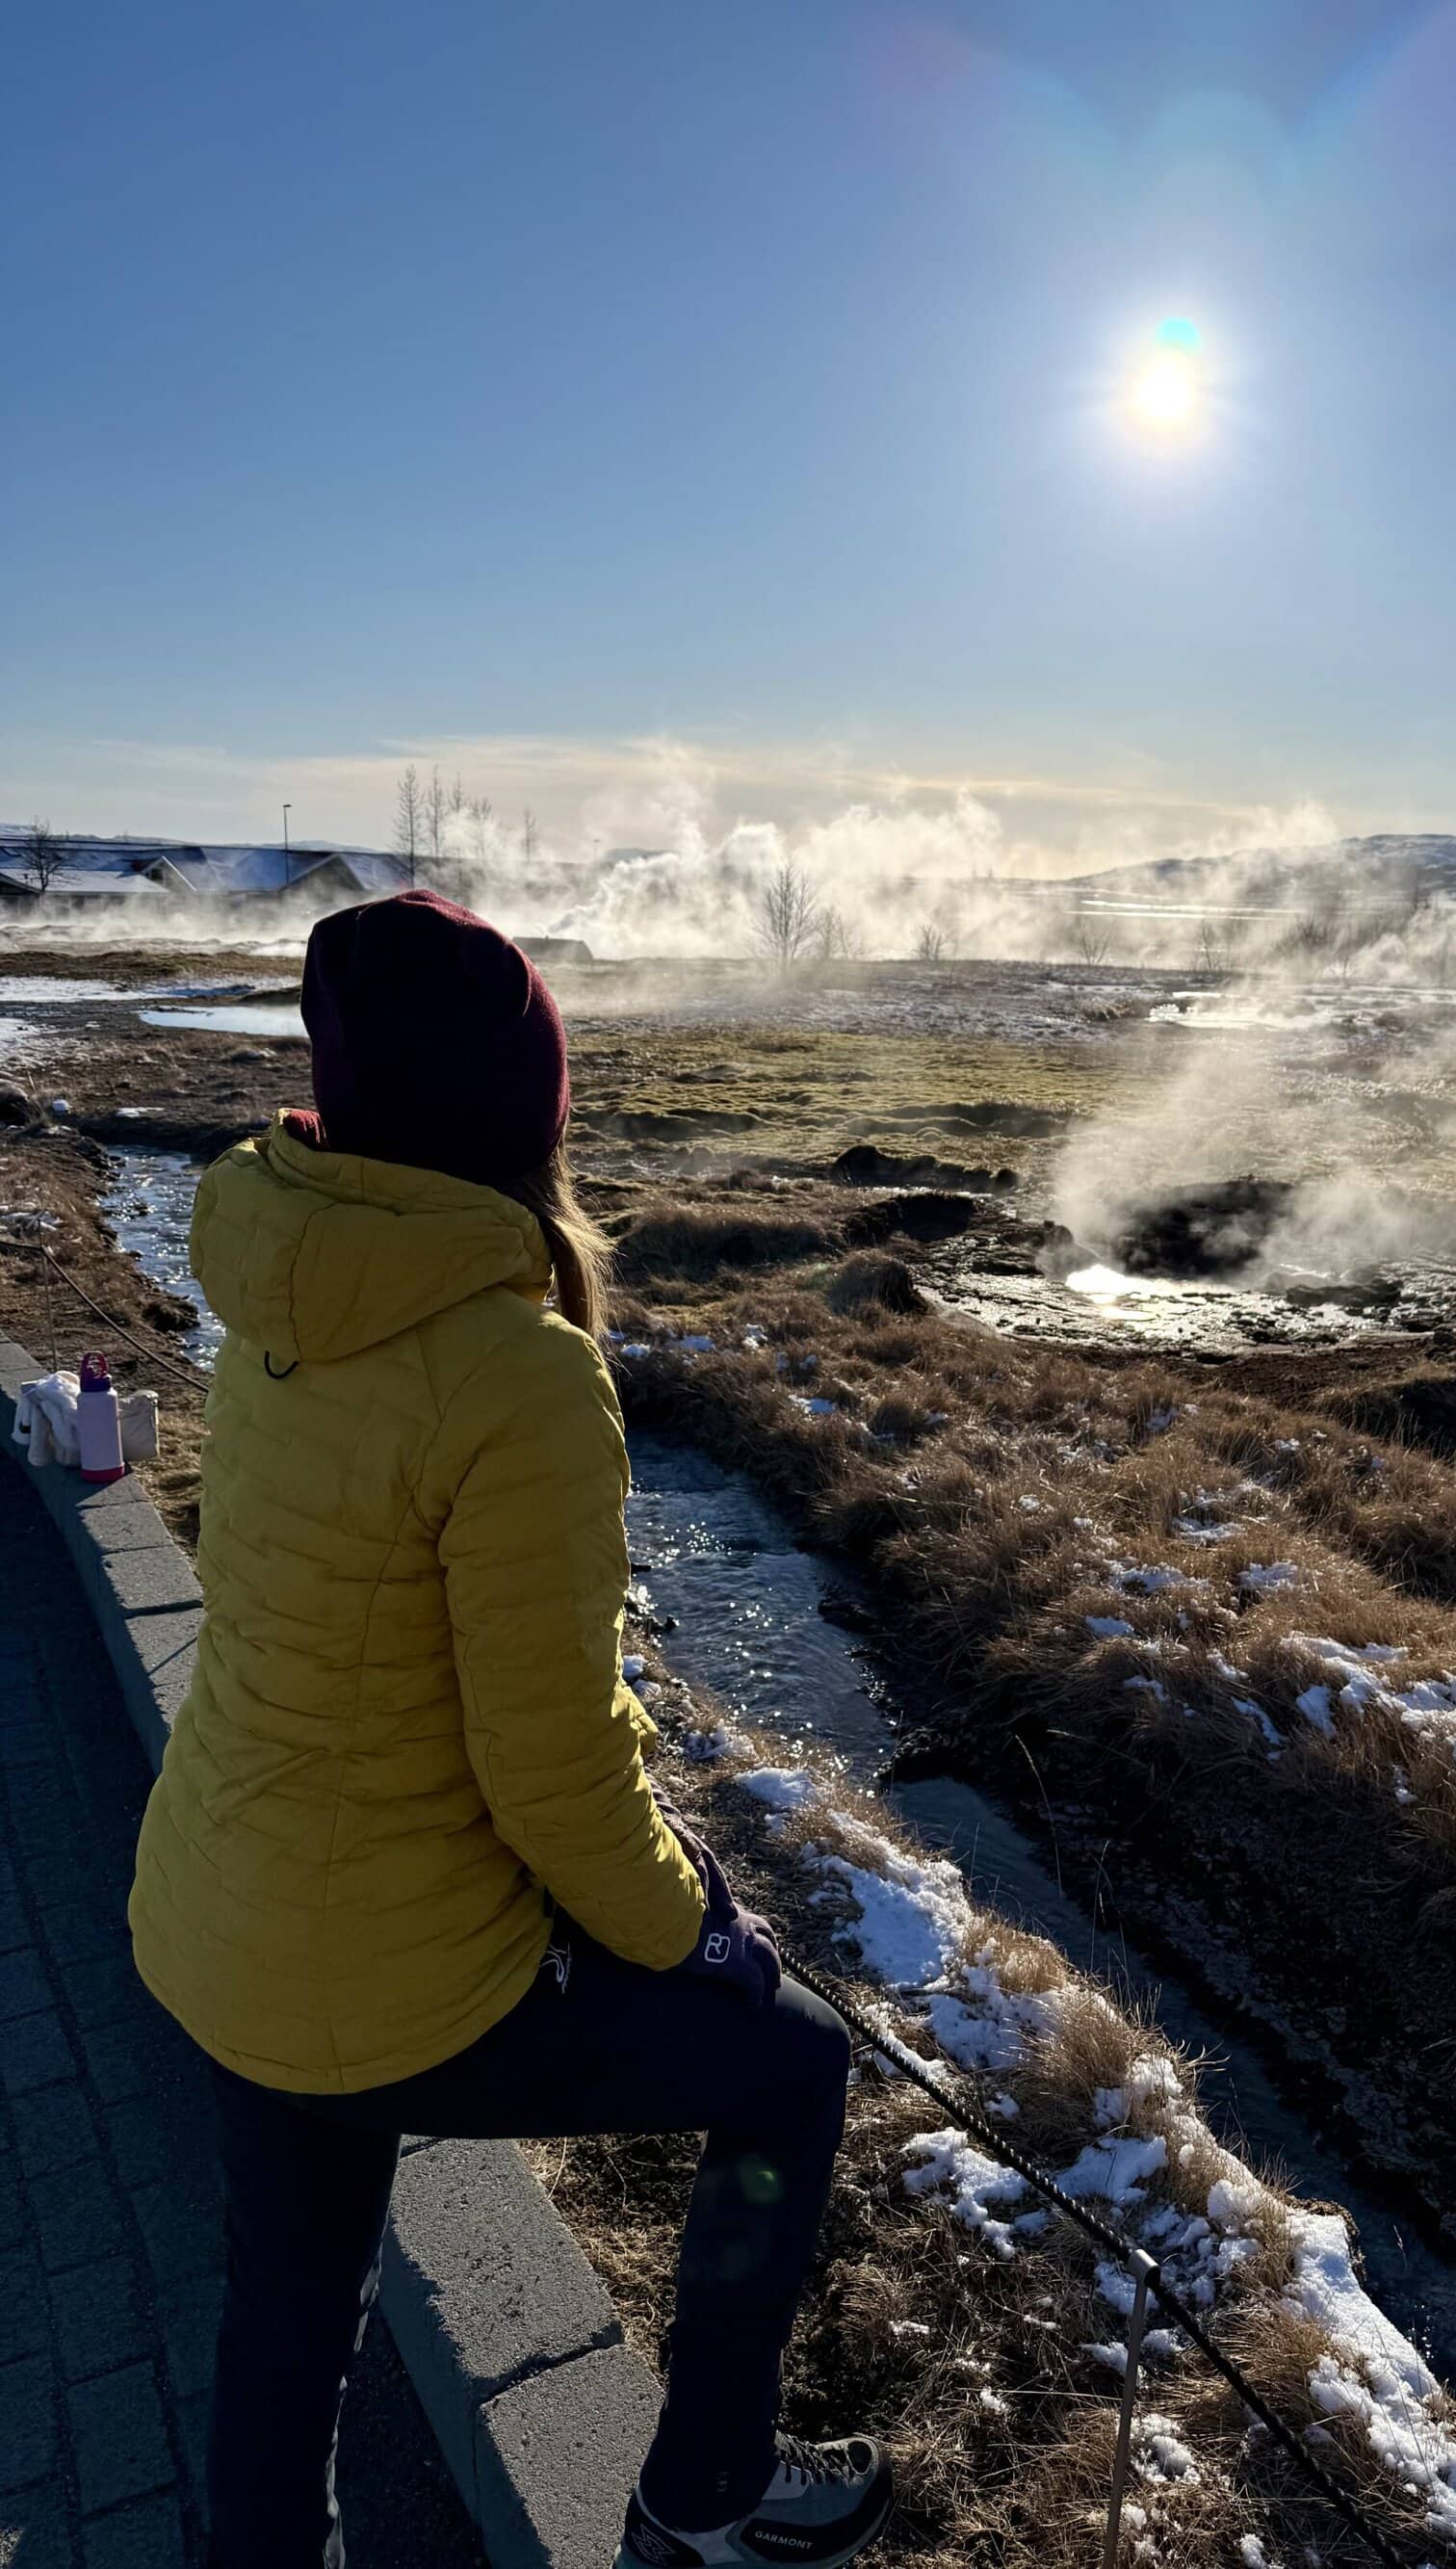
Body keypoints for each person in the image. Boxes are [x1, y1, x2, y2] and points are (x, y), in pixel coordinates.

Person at [128, 891, 891, 2569]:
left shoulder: (275, 1283)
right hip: (385, 1976)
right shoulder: (516, 1369)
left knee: (285, 2322)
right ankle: (703, 2496)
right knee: (795, 2066)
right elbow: (545, 1769)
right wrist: (704, 1938)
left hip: (218, 1920)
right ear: (519, 1114)